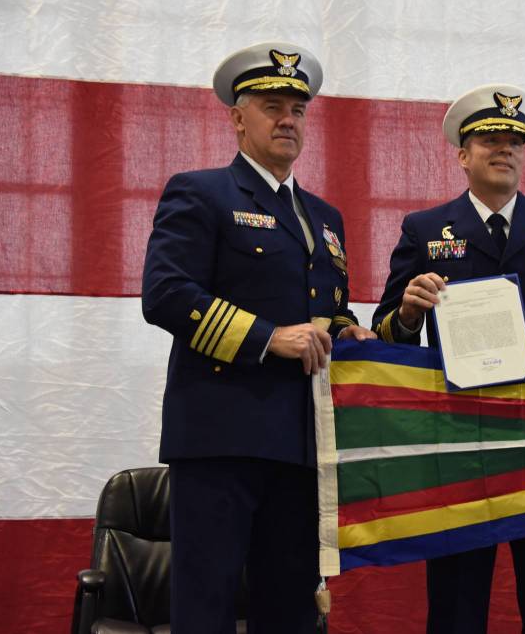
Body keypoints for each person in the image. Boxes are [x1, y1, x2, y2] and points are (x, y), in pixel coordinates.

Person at [371, 83, 525, 633]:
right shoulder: (424, 229)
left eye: (515, 140)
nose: (504, 148)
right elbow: (387, 333)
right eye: (490, 139)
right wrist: (411, 313)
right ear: (463, 155)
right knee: (457, 602)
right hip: (459, 439)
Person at [142, 41, 375, 632]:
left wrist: (353, 333)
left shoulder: (324, 217)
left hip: (304, 442)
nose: (288, 119)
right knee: (207, 607)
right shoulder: (201, 192)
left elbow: (328, 310)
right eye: (272, 106)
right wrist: (270, 339)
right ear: (237, 117)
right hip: (222, 436)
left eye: (297, 110)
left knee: (291, 610)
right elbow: (166, 294)